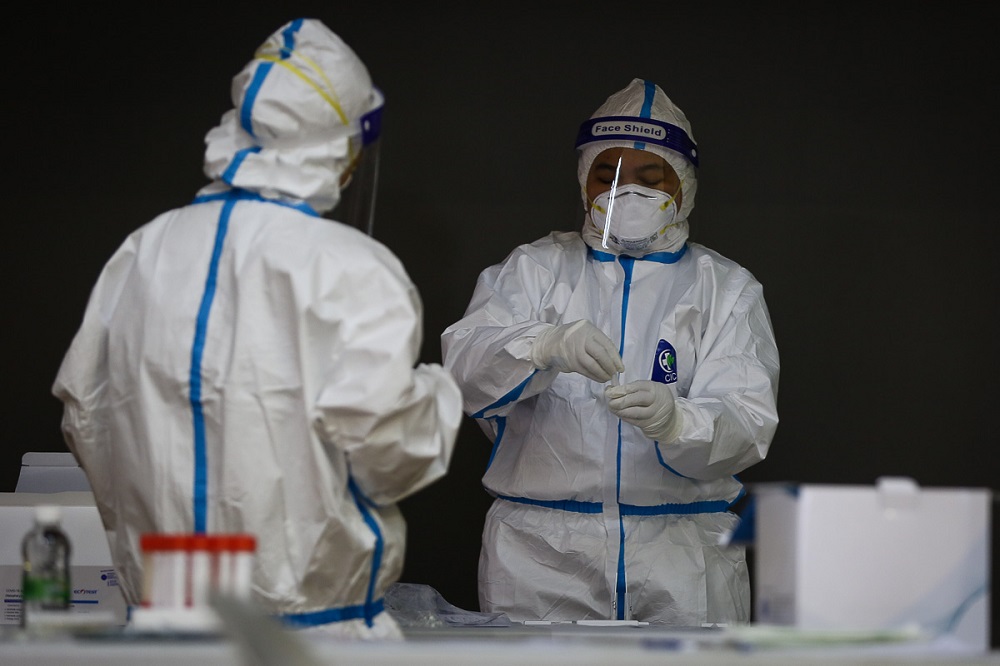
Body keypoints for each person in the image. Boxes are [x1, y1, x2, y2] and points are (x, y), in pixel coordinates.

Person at [52, 18, 462, 639]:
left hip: (162, 628)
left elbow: (86, 417)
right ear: (341, 149)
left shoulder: (142, 252)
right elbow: (387, 458)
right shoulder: (352, 267)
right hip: (311, 634)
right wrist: (437, 397)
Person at [441, 78, 779, 626]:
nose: (629, 192)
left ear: (684, 186)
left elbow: (747, 422)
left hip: (684, 554)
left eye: (652, 178)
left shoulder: (725, 288)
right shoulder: (533, 270)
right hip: (540, 555)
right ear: (584, 179)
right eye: (610, 174)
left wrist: (677, 420)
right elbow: (462, 370)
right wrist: (541, 344)